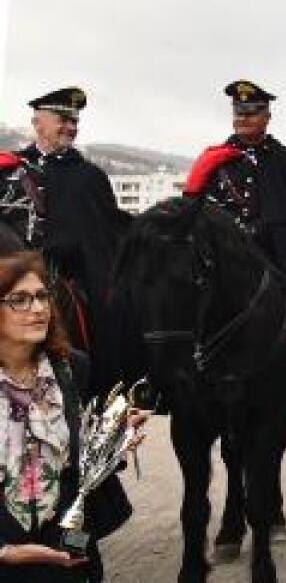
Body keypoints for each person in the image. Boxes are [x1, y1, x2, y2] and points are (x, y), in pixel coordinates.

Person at [183, 80, 286, 395]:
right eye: (239, 114)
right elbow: (193, 213)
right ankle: (167, 382)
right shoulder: (214, 160)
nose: (244, 120)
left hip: (280, 257)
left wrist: (273, 233)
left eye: (251, 113)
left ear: (267, 116)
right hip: (226, 259)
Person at [0, 252, 142, 582]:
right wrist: (7, 552)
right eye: (18, 300)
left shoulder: (72, 368)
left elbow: (79, 460)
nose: (37, 309)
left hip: (67, 543)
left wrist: (112, 441)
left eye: (40, 297)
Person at [0, 88, 131, 394]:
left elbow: (106, 236)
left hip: (70, 278)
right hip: (8, 277)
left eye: (74, 121)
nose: (70, 127)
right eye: (62, 119)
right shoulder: (10, 170)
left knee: (108, 320)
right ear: (38, 122)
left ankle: (101, 392)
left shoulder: (89, 176)